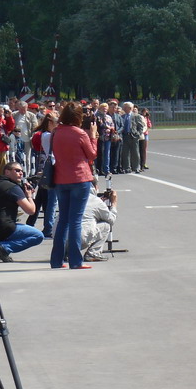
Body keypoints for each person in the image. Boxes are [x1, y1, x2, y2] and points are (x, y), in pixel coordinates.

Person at [50, 100, 98, 269]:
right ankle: (75, 261)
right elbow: (92, 154)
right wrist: (93, 135)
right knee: (75, 220)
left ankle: (56, 260)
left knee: (63, 219)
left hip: (60, 178)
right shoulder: (80, 133)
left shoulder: (56, 132)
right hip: (79, 178)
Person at [0, 162, 43, 262]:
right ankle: (3, 249)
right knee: (37, 235)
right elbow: (31, 211)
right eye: (17, 170)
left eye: (22, 172)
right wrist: (29, 196)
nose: (21, 173)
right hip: (4, 229)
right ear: (7, 172)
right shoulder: (13, 188)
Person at [27, 111, 59, 238]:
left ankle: (36, 223)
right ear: (50, 123)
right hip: (52, 167)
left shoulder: (49, 134)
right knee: (52, 200)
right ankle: (48, 227)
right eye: (57, 123)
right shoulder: (47, 135)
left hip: (51, 166)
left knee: (44, 198)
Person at [80, 181, 118, 262]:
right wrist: (114, 203)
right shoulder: (96, 201)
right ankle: (93, 253)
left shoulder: (69, 197)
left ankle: (64, 253)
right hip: (80, 239)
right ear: (95, 188)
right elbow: (111, 219)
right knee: (106, 225)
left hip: (60, 240)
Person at [118, 101, 145, 173]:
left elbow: (140, 127)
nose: (123, 109)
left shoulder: (136, 116)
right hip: (125, 136)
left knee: (135, 152)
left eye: (125, 107)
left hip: (133, 136)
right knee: (125, 152)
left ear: (130, 108)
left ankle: (136, 167)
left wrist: (138, 134)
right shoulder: (122, 116)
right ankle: (127, 167)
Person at [13, 99, 39, 175]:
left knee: (27, 158)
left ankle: (27, 173)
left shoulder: (31, 116)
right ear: (18, 108)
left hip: (27, 139)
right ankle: (16, 173)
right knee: (16, 156)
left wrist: (32, 136)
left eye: (24, 109)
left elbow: (35, 127)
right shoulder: (14, 115)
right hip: (16, 139)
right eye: (21, 109)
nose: (23, 110)